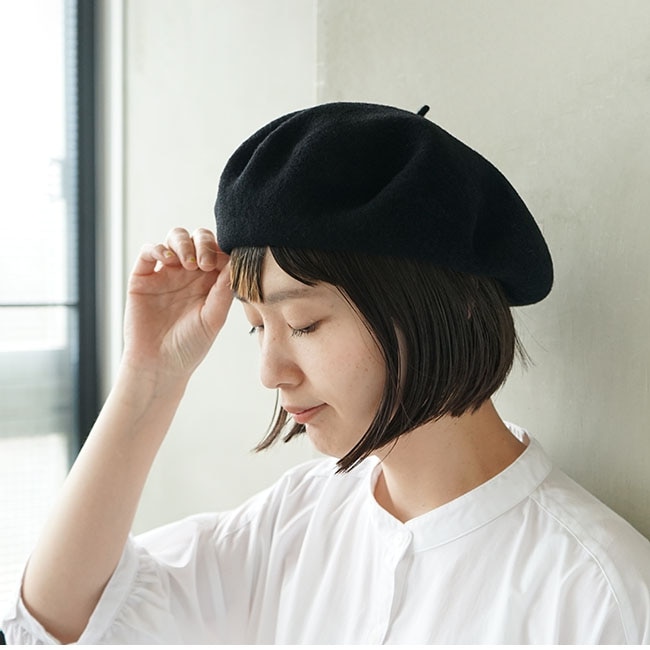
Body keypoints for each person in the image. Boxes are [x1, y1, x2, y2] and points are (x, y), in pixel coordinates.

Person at [3, 102, 650, 644]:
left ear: (441, 308)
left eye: (305, 324)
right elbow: (59, 622)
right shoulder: (296, 521)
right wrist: (149, 379)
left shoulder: (598, 595)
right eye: (256, 328)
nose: (270, 372)